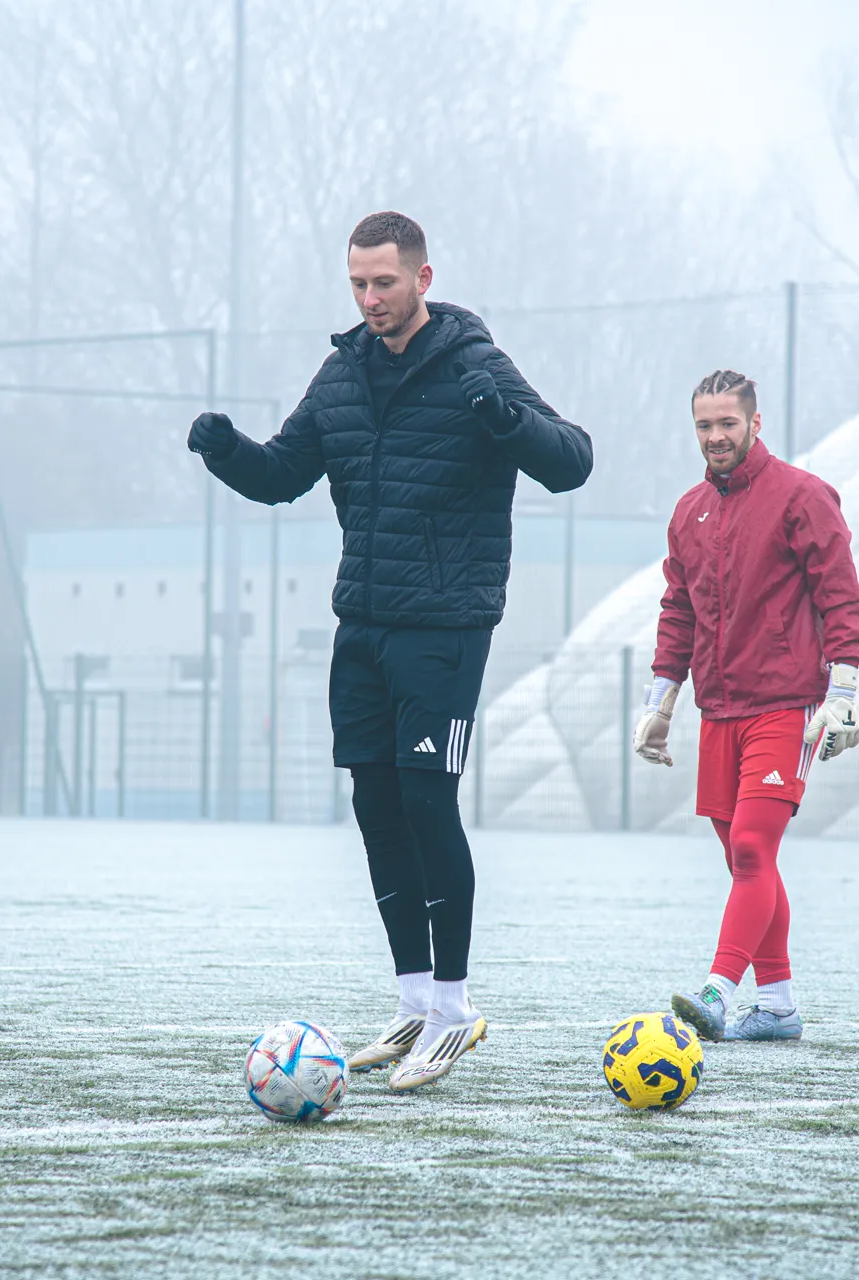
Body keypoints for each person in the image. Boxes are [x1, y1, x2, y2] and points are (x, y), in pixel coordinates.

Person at [188, 212, 592, 1091]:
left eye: (384, 282)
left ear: (422, 279)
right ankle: (413, 1001)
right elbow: (281, 474)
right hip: (362, 623)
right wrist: (225, 452)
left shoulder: (476, 363)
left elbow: (572, 462)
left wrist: (504, 421)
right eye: (358, 284)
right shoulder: (342, 374)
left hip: (447, 625)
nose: (370, 299)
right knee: (375, 804)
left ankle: (454, 1008)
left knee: (427, 800)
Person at [635, 369, 859, 1044]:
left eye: (727, 424)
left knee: (750, 847)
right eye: (704, 426)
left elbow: (841, 597)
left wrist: (843, 693)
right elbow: (678, 610)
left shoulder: (802, 496)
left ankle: (718, 990)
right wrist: (661, 701)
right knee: (747, 862)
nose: (715, 436)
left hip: (784, 705)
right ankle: (778, 1007)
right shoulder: (689, 511)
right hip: (719, 711)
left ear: (755, 423)